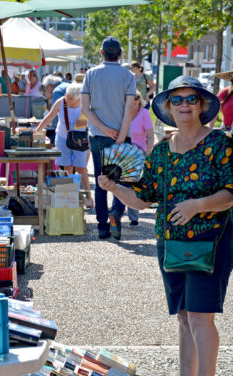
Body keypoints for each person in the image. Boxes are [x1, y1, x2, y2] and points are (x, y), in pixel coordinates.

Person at [98, 75, 233, 376]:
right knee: (184, 317)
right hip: (171, 243)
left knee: (201, 318)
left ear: (202, 105)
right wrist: (114, 188)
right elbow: (143, 200)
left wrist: (197, 205)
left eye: (191, 99)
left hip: (211, 241)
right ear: (168, 107)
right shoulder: (160, 151)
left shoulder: (220, 143)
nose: (184, 105)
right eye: (177, 99)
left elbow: (230, 193)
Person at [81, 36, 137, 240]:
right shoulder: (128, 76)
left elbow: (85, 108)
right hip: (122, 135)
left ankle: (102, 226)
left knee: (101, 180)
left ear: (102, 53)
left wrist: (104, 129)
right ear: (120, 53)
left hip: (97, 135)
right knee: (122, 181)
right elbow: (130, 109)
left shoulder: (91, 74)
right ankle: (117, 212)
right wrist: (120, 135)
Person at [36, 83, 93, 206]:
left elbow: (93, 119)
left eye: (71, 98)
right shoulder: (61, 102)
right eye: (67, 96)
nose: (67, 99)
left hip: (80, 140)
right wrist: (37, 130)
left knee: (81, 168)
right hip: (63, 138)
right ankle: (71, 197)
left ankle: (88, 197)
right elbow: (49, 117)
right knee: (67, 167)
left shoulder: (85, 103)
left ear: (78, 97)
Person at [127, 89, 154, 227]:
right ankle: (117, 212)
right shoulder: (123, 112)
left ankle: (133, 216)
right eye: (132, 102)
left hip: (139, 153)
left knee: (133, 183)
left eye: (136, 102)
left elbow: (150, 135)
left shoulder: (144, 113)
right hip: (123, 152)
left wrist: (148, 152)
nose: (134, 105)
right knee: (120, 183)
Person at [43, 74, 70, 143]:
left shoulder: (57, 91)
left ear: (51, 85)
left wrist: (57, 130)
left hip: (65, 130)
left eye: (46, 88)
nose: (47, 90)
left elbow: (56, 113)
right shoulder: (67, 85)